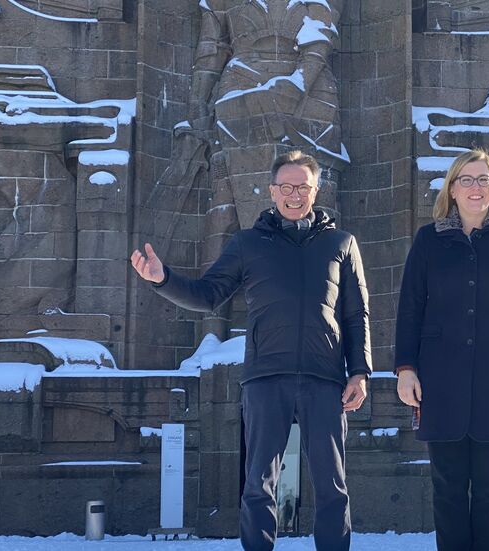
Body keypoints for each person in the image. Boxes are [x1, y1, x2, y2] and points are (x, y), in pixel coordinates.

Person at [130, 150, 371, 551]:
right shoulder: (247, 244)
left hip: (324, 379)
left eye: (303, 187)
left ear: (316, 190)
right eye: (286, 187)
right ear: (272, 191)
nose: (295, 195)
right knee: (258, 483)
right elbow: (208, 296)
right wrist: (163, 279)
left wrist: (359, 371)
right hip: (265, 378)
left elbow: (355, 313)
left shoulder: (341, 243)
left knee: (332, 485)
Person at [394, 149, 489, 551]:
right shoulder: (429, 240)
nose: (475, 188)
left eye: (484, 180)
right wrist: (405, 367)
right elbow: (410, 307)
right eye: (467, 179)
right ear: (453, 189)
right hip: (439, 379)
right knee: (447, 491)